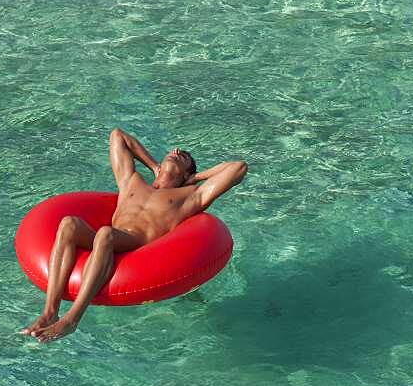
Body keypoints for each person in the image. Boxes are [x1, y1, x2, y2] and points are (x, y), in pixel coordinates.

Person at [21, 128, 248, 342]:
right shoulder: (132, 181)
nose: (176, 152)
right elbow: (117, 136)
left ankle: (72, 318)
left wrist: (197, 178)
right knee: (69, 223)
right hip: (111, 236)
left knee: (105, 234)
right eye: (173, 152)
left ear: (188, 173)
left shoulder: (189, 196)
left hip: (135, 243)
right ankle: (49, 312)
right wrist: (154, 166)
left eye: (184, 157)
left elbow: (238, 168)